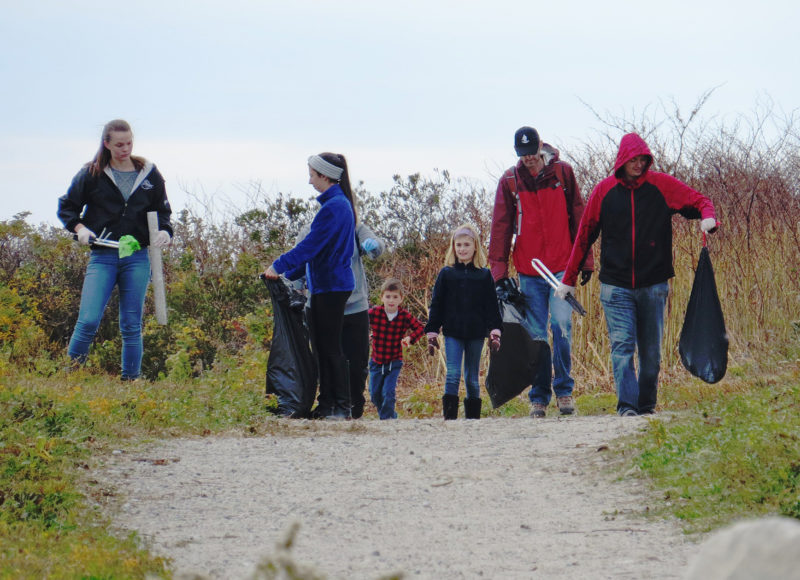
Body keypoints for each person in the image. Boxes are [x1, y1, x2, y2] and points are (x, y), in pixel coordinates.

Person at [556, 133, 718, 416]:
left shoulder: (661, 186)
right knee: (622, 345)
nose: (639, 164)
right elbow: (584, 236)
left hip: (653, 285)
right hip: (615, 287)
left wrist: (708, 217)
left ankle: (645, 405)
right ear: (622, 159)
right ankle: (627, 407)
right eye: (634, 159)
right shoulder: (604, 191)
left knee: (651, 354)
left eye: (643, 159)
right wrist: (568, 280)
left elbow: (699, 200)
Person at [489, 126, 593, 418]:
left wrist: (585, 261)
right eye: (522, 156)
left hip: (562, 266)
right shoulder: (510, 180)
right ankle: (539, 396)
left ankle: (564, 390)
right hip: (529, 269)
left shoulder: (563, 173)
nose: (528, 160)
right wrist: (498, 272)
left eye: (532, 154)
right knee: (535, 334)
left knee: (561, 327)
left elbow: (579, 218)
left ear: (541, 149)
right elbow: (500, 227)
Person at [57, 119, 173, 380]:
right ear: (107, 144)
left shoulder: (149, 174)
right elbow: (67, 207)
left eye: (129, 143)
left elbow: (163, 213)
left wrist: (165, 231)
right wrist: (80, 229)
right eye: (119, 144)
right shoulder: (92, 174)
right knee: (87, 321)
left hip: (137, 258)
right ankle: (69, 379)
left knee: (131, 325)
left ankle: (130, 382)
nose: (125, 148)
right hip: (103, 256)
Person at [264, 152, 356, 420]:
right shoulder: (336, 205)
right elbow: (317, 253)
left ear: (325, 176)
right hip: (327, 286)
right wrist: (288, 275)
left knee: (329, 348)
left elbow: (311, 246)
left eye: (312, 175)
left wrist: (278, 266)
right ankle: (328, 403)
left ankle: (340, 405)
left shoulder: (335, 208)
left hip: (332, 287)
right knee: (323, 346)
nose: (310, 181)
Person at [293, 221, 386, 419]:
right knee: (324, 359)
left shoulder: (354, 228)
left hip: (354, 306)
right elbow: (298, 262)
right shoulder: (310, 231)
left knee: (357, 362)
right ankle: (328, 405)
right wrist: (296, 289)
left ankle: (354, 405)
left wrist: (373, 245)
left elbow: (377, 248)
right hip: (320, 306)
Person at [426, 224, 503, 420]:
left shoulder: (484, 275)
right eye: (458, 245)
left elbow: (492, 306)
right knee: (452, 375)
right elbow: (437, 304)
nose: (462, 249)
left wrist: (495, 329)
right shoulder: (446, 273)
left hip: (476, 333)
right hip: (453, 332)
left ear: (475, 246)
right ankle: (450, 420)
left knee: (472, 379)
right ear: (453, 247)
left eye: (466, 244)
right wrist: (432, 331)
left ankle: (472, 422)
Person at [367, 278, 425, 419]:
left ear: (401, 299)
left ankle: (387, 420)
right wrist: (366, 335)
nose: (391, 300)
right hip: (376, 361)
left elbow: (420, 328)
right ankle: (390, 415)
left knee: (388, 392)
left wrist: (410, 338)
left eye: (395, 297)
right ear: (382, 297)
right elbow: (360, 323)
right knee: (374, 394)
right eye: (387, 297)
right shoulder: (375, 313)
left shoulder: (404, 316)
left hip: (394, 361)